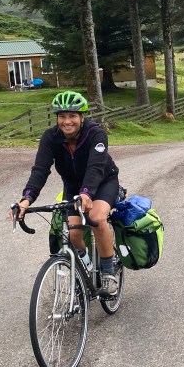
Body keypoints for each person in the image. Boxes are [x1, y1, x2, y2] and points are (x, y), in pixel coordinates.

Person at [11, 90, 121, 295]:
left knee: (96, 218)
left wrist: (87, 194)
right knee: (74, 233)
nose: (66, 121)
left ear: (82, 117)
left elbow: (95, 168)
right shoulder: (51, 137)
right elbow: (40, 170)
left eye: (72, 116)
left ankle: (108, 272)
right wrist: (26, 199)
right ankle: (86, 269)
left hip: (104, 181)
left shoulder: (96, 134)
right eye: (62, 116)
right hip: (73, 186)